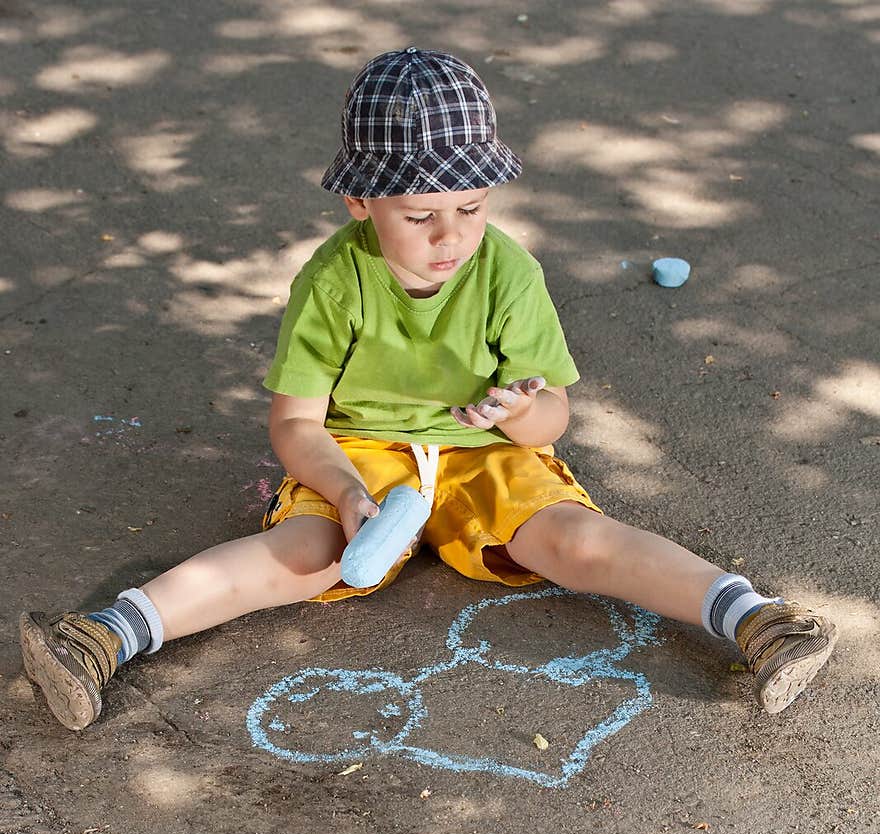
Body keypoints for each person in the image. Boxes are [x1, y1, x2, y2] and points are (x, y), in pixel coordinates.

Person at [20, 47, 836, 733]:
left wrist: (524, 414)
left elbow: (556, 415)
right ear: (359, 201)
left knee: (575, 543)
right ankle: (103, 638)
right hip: (363, 455)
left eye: (471, 208)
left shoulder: (507, 270)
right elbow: (296, 422)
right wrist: (341, 490)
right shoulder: (334, 280)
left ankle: (757, 619)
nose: (450, 237)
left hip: (484, 452)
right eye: (418, 216)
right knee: (305, 555)